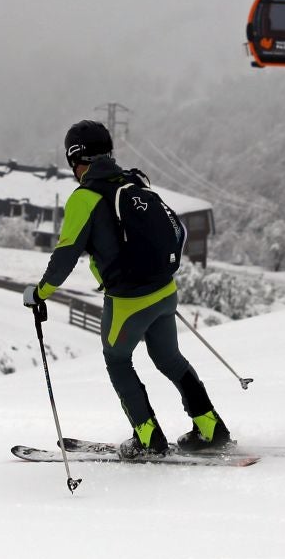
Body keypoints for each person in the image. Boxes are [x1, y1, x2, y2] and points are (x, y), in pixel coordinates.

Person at [24, 119, 232, 457]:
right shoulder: (134, 181)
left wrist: (39, 294)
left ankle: (148, 439)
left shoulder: (85, 197)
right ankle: (210, 427)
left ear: (75, 158)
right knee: (169, 358)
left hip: (129, 301)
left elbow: (64, 257)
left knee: (117, 359)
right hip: (165, 291)